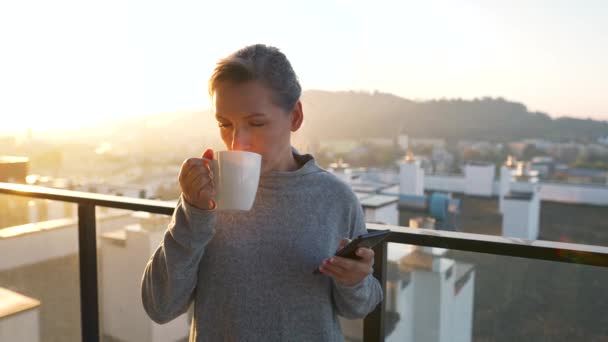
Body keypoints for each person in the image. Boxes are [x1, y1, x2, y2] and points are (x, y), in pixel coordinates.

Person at [141, 44, 383, 341]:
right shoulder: (204, 196)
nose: (237, 141)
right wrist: (194, 212)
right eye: (224, 124)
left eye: (256, 123)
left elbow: (360, 306)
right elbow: (160, 306)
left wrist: (355, 281)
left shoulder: (335, 198)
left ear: (295, 117)